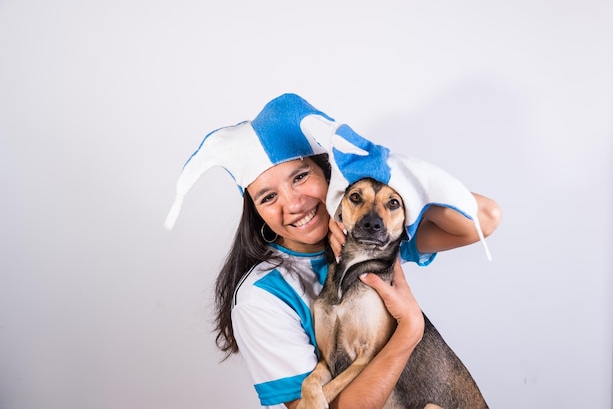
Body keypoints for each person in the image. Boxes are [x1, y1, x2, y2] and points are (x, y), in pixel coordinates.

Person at [164, 94, 501, 409]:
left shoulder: (374, 239)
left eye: (299, 177)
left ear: (329, 175)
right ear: (257, 212)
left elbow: (485, 217)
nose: (293, 204)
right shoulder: (261, 297)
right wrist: (409, 330)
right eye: (268, 197)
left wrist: (385, 172)